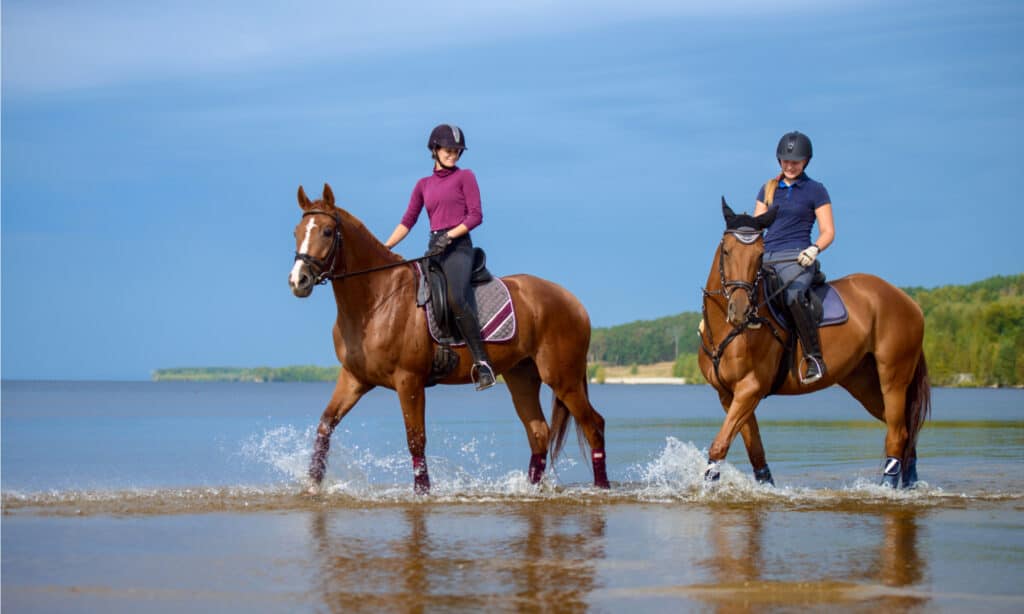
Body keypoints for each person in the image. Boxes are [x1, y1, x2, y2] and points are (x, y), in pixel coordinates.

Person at [384, 124, 496, 390]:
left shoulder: (465, 177)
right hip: (434, 248)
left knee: (456, 298)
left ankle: (483, 364)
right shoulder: (423, 185)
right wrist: (384, 247)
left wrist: (451, 236)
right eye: (448, 150)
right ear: (434, 149)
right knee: (417, 299)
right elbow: (407, 221)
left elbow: (475, 215)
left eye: (457, 151)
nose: (453, 155)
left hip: (459, 248)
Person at [754, 130, 835, 384]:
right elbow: (757, 227)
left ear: (805, 162)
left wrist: (814, 249)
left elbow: (828, 231)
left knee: (793, 295)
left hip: (798, 257)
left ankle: (814, 358)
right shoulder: (767, 189)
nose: (790, 166)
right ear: (779, 161)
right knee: (740, 290)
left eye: (795, 162)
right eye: (786, 161)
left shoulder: (816, 190)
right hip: (767, 257)